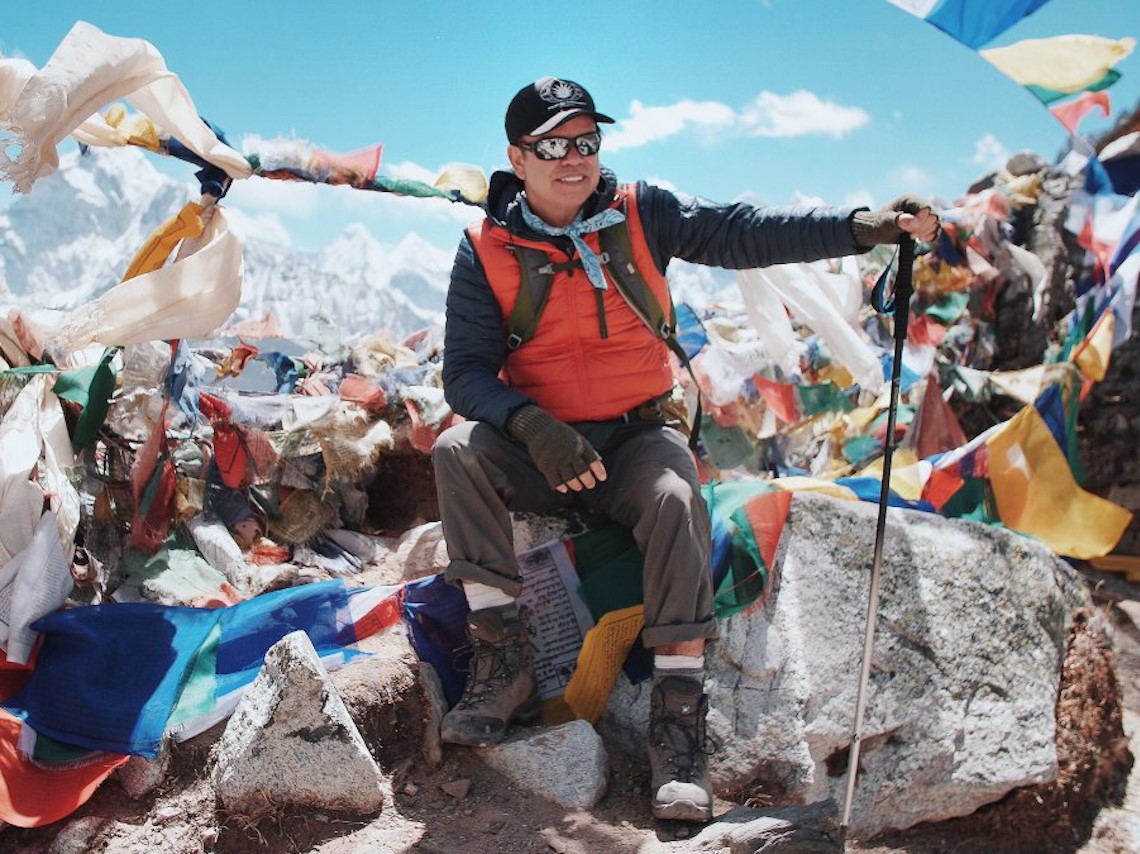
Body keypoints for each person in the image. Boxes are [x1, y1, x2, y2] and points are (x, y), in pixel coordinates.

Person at [432, 76, 940, 822]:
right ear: (518, 155)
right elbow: (464, 372)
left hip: (639, 434)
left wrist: (862, 228)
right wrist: (530, 425)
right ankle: (501, 660)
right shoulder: (485, 248)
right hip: (539, 445)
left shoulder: (643, 212)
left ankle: (678, 719)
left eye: (587, 141)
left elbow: (745, 232)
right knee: (455, 452)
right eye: (553, 145)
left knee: (675, 501)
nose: (574, 158)